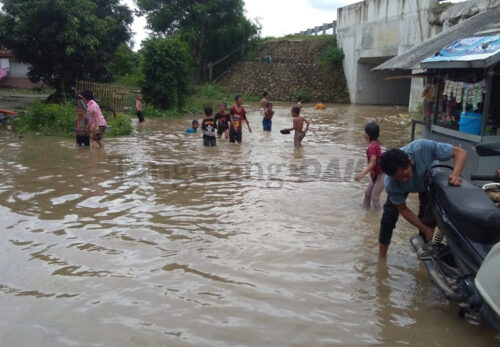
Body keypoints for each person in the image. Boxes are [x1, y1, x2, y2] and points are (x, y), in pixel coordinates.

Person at [378, 139, 467, 258]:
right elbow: (403, 209)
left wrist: (455, 174)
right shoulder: (391, 184)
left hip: (428, 179)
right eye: (398, 178)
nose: (404, 180)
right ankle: (382, 258)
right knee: (388, 218)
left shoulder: (423, 148)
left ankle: (425, 257)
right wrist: (424, 228)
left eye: (405, 174)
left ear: (410, 161)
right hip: (402, 189)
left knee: (428, 219)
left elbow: (460, 153)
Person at [355, 122, 384, 209]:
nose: (364, 134)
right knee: (367, 195)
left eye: (365, 132)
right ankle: (367, 215)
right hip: (377, 175)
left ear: (368, 135)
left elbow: (373, 162)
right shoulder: (374, 145)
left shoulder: (372, 146)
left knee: (375, 197)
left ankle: (379, 216)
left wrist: (361, 175)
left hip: (382, 175)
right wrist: (372, 171)